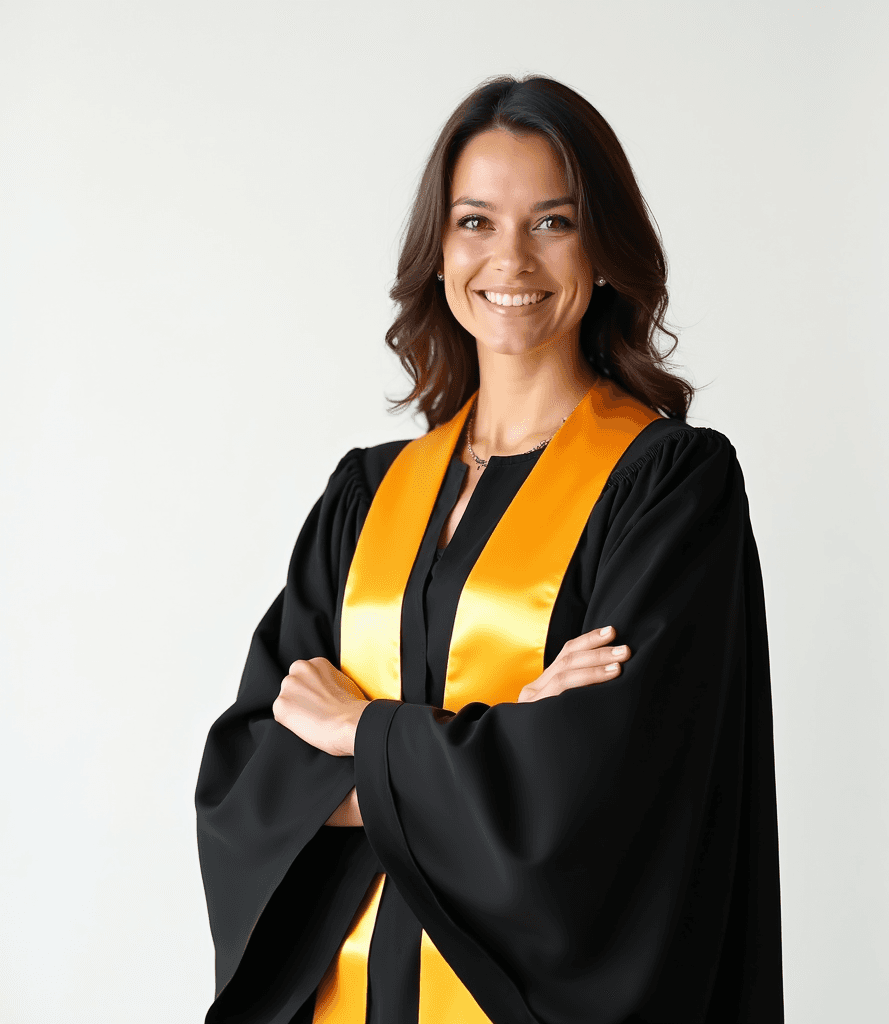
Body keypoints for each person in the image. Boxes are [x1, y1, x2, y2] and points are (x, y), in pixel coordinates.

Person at [195, 74, 784, 1024]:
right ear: (438, 250)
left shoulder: (669, 488)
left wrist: (360, 735)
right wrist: (502, 735)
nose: (509, 257)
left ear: (603, 247)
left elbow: (602, 795)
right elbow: (248, 780)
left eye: (551, 221)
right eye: (476, 221)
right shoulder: (366, 496)